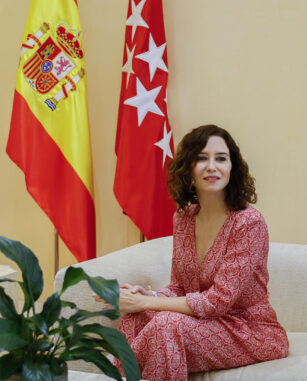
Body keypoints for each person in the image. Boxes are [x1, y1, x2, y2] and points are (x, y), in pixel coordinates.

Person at [100, 125, 288, 380]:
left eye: (221, 158)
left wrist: (148, 302)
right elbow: (179, 286)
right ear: (188, 168)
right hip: (203, 323)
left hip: (248, 330)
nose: (212, 166)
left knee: (166, 325)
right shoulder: (184, 218)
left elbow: (218, 302)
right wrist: (147, 295)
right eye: (202, 158)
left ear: (232, 168)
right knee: (135, 318)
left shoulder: (248, 223)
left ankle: (111, 372)